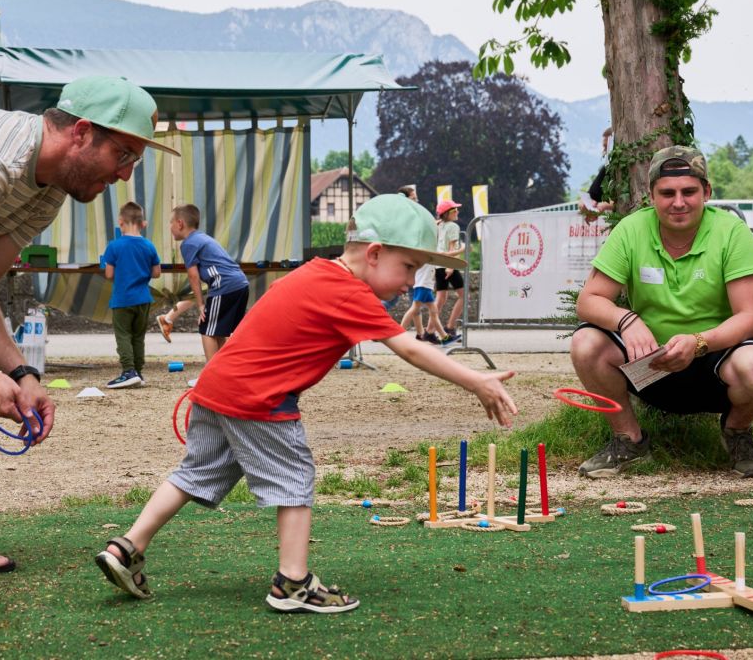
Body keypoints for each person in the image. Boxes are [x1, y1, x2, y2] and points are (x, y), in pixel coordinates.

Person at [95, 193, 517, 611]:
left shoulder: (316, 272)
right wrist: (475, 381)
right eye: (407, 267)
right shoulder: (349, 291)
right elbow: (409, 348)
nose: (410, 281)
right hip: (259, 397)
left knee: (196, 473)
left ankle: (126, 547)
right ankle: (293, 583)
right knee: (295, 476)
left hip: (216, 385)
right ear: (373, 253)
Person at [0, 75, 179, 595]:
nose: (126, 176)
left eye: (136, 162)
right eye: (123, 154)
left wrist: (20, 372)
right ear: (81, 132)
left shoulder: (49, 187)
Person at [571, 145, 753, 480]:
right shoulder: (631, 230)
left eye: (689, 191)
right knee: (586, 342)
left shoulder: (732, 233)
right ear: (651, 196)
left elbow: (750, 317)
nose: (678, 202)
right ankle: (629, 440)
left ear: (707, 191)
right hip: (651, 361)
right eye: (667, 193)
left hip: (719, 360)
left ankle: (736, 431)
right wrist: (627, 320)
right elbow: (588, 300)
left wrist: (698, 342)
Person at [169, 204, 250, 364]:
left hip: (224, 286)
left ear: (180, 223)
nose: (170, 227)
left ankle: (212, 376)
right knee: (219, 331)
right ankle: (223, 371)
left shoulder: (189, 243)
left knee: (207, 329)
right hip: (240, 283)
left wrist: (200, 305)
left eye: (171, 222)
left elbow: (193, 276)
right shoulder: (202, 237)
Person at [103, 201, 161, 388]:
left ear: (121, 222)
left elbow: (109, 274)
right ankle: (139, 372)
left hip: (122, 299)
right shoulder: (149, 246)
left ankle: (128, 371)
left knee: (123, 335)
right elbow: (157, 272)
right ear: (142, 222)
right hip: (143, 298)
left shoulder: (114, 246)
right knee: (138, 336)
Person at [428, 199, 465, 339]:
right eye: (454, 210)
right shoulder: (453, 226)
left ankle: (430, 330)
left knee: (440, 298)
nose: (457, 212)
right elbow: (452, 247)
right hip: (449, 264)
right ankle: (450, 326)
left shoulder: (439, 225)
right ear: (447, 213)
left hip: (438, 265)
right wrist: (451, 266)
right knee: (464, 296)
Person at [381, 184, 419, 312]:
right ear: (406, 198)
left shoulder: (397, 212)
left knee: (400, 295)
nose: (416, 201)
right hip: (406, 258)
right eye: (414, 198)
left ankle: (421, 330)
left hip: (404, 258)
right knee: (403, 295)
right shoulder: (407, 215)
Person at [399, 262, 455, 345]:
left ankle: (444, 337)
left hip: (426, 287)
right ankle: (399, 333)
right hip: (422, 286)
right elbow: (443, 255)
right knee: (414, 309)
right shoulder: (427, 254)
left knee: (434, 312)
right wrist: (460, 250)